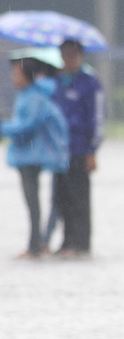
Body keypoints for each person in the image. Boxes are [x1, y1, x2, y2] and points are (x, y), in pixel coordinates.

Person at [1, 48, 69, 259]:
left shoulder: (33, 97)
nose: (13, 78)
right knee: (37, 203)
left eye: (16, 73)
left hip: (32, 156)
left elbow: (27, 126)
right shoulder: (32, 95)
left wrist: (4, 127)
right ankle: (38, 242)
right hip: (32, 155)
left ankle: (35, 245)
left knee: (34, 204)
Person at [50, 39, 104, 257]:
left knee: (79, 197)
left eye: (72, 55)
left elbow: (97, 119)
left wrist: (92, 150)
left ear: (80, 56)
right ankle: (66, 240)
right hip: (59, 151)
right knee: (60, 197)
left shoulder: (90, 83)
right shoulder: (57, 81)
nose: (68, 60)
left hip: (80, 149)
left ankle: (81, 242)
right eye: (64, 55)